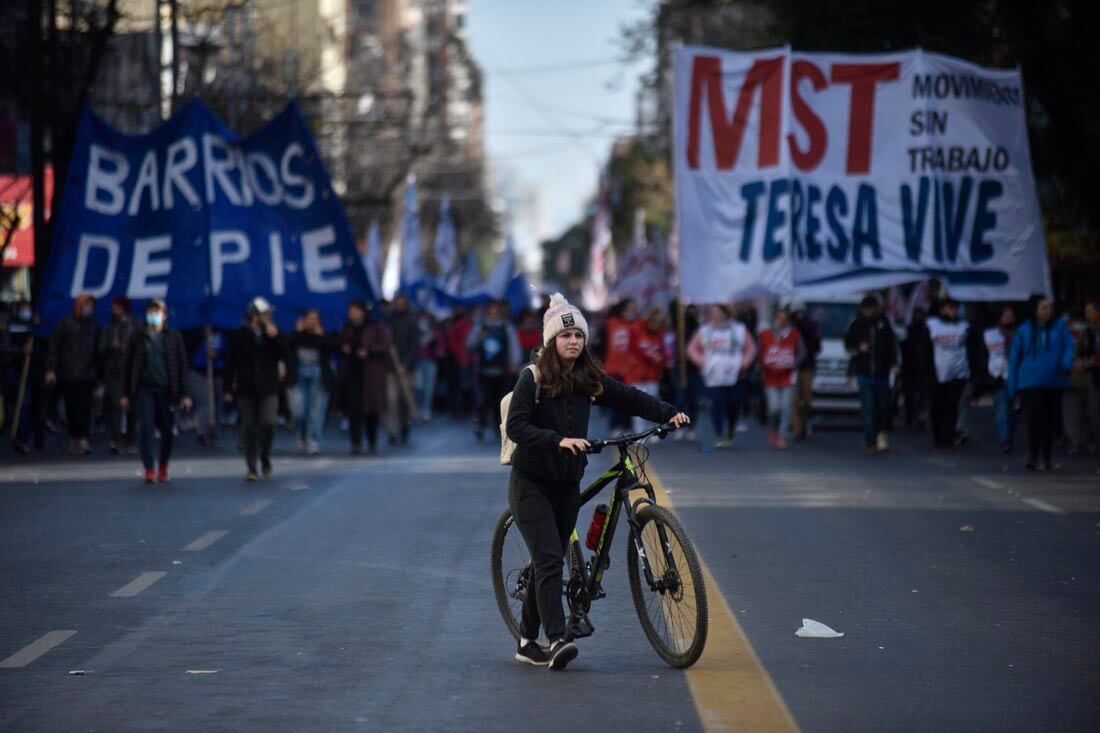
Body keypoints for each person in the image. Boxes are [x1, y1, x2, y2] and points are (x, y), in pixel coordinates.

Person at [505, 293, 689, 670]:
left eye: (579, 336)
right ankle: (557, 640)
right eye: (565, 335)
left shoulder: (588, 378)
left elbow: (630, 399)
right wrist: (558, 440)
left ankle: (526, 642)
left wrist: (670, 414)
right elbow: (517, 426)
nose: (573, 341)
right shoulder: (534, 377)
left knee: (547, 560)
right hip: (531, 484)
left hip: (567, 484)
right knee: (551, 559)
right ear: (551, 340)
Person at [120, 300, 192, 483]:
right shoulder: (138, 336)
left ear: (164, 315)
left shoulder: (173, 337)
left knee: (167, 431)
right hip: (145, 389)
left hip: (167, 390)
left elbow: (182, 366)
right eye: (151, 311)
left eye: (157, 311)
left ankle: (163, 465)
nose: (153, 315)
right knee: (146, 427)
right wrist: (125, 393)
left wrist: (185, 394)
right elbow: (127, 366)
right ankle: (149, 467)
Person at [1008, 296, 1074, 471]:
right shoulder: (1024, 331)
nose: (1047, 311)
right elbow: (1014, 359)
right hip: (1030, 381)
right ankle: (1033, 456)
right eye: (1043, 308)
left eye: (1049, 308)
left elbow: (1069, 346)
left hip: (1054, 381)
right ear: (1034, 310)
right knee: (1035, 419)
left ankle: (1047, 457)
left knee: (1050, 421)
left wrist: (1066, 363)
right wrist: (1012, 386)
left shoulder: (1060, 328)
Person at [224, 297, 287, 480]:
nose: (268, 317)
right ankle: (251, 467)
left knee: (268, 423)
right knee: (249, 426)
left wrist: (275, 338)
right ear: (254, 316)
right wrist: (227, 388)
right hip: (246, 388)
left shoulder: (273, 333)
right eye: (264, 314)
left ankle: (265, 456)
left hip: (268, 387)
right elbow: (230, 363)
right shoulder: (239, 334)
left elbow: (284, 354)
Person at [686, 304, 756, 448]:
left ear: (725, 314)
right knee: (717, 404)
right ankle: (719, 434)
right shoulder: (705, 330)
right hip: (714, 375)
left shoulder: (739, 329)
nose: (715, 315)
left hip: (735, 374)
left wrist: (744, 364)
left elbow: (751, 348)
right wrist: (702, 362)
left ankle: (729, 431)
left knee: (733, 404)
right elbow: (691, 349)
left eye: (717, 312)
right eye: (712, 313)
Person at [45, 293, 102, 455]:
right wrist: (51, 369)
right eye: (85, 305)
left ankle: (82, 438)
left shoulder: (94, 326)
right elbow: (55, 347)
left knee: (85, 408)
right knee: (71, 407)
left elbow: (99, 351)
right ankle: (74, 437)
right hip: (68, 374)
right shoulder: (66, 324)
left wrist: (100, 375)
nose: (88, 308)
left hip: (88, 374)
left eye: (90, 305)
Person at [844, 295, 898, 454]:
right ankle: (870, 442)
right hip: (864, 373)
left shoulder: (884, 323)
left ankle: (882, 434)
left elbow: (892, 345)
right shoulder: (856, 324)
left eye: (873, 308)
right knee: (868, 408)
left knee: (882, 407)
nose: (870, 311)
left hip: (882, 373)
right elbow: (849, 346)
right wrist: (859, 349)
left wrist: (895, 364)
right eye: (867, 308)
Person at [336, 301, 390, 454]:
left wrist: (370, 351)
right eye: (350, 311)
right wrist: (343, 347)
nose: (352, 314)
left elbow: (384, 345)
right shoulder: (347, 327)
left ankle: (372, 440)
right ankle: (356, 442)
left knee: (371, 410)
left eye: (355, 311)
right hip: (352, 373)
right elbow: (340, 342)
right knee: (354, 410)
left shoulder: (375, 326)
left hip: (370, 374)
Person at [469, 299, 520, 441]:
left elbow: (514, 346)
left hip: (502, 370)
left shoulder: (506, 326)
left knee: (501, 400)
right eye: (491, 311)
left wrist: (514, 363)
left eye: (496, 311)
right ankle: (480, 424)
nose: (493, 313)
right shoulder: (480, 326)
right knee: (483, 399)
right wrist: (479, 337)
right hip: (483, 370)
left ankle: (499, 426)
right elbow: (470, 344)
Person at [925, 298, 970, 449]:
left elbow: (973, 347)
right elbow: (922, 350)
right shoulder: (932, 325)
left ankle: (947, 439)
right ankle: (938, 436)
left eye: (955, 308)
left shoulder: (964, 327)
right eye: (950, 307)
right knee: (938, 406)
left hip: (958, 373)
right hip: (937, 374)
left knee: (952, 406)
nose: (953, 311)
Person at [288, 309, 334, 455]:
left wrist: (320, 336)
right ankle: (301, 434)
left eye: (315, 319)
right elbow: (286, 347)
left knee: (316, 410)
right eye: (309, 318)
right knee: (299, 409)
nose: (312, 321)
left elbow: (331, 349)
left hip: (318, 374)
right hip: (299, 373)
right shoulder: (296, 335)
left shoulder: (323, 336)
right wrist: (297, 332)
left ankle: (313, 441)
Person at [758, 307, 804, 449]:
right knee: (774, 408)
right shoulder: (765, 334)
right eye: (779, 318)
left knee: (786, 407)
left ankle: (782, 435)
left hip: (788, 377)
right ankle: (773, 429)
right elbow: (759, 352)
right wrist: (761, 367)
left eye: (784, 319)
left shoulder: (794, 334)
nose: (781, 321)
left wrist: (794, 363)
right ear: (774, 319)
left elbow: (802, 352)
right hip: (770, 377)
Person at [623, 306, 667, 433]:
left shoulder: (659, 332)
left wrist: (662, 359)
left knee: (652, 402)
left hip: (653, 374)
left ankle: (650, 430)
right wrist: (652, 358)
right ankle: (639, 432)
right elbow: (634, 348)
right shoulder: (635, 329)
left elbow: (663, 351)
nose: (656, 325)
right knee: (637, 403)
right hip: (636, 373)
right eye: (654, 322)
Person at [100, 296, 135, 454]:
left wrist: (125, 347)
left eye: (117, 306)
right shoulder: (111, 326)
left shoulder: (134, 326)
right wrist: (110, 346)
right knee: (116, 405)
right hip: (114, 371)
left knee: (132, 405)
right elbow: (101, 347)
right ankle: (116, 439)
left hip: (132, 371)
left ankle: (131, 438)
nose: (115, 310)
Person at [981, 306, 1017, 453]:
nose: (1008, 319)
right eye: (1006, 316)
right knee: (1002, 408)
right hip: (997, 375)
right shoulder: (990, 334)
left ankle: (1009, 434)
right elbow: (983, 353)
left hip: (1014, 375)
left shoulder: (1018, 334)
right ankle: (1005, 439)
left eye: (1011, 316)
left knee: (1014, 410)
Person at [387, 294, 420, 444]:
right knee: (391, 399)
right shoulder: (389, 321)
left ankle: (404, 426)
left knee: (404, 400)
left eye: (402, 304)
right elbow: (386, 344)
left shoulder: (412, 321)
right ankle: (392, 431)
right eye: (397, 304)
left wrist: (405, 364)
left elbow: (415, 345)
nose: (399, 306)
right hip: (391, 368)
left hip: (407, 368)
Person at [789, 301, 821, 440]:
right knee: (795, 400)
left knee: (807, 399)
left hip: (807, 366)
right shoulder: (788, 326)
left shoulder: (810, 325)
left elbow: (817, 345)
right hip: (791, 367)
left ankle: (804, 423)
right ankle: (797, 429)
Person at [1075, 299, 1100, 465]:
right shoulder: (1086, 333)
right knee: (1095, 414)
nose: (1087, 314)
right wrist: (1086, 363)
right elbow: (1079, 356)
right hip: (1094, 378)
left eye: (1090, 311)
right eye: (1086, 311)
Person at [414, 311, 446, 421]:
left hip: (431, 360)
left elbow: (441, 345)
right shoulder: (415, 327)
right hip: (417, 360)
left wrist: (438, 351)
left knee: (429, 387)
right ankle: (417, 409)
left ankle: (425, 410)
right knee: (418, 386)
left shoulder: (435, 329)